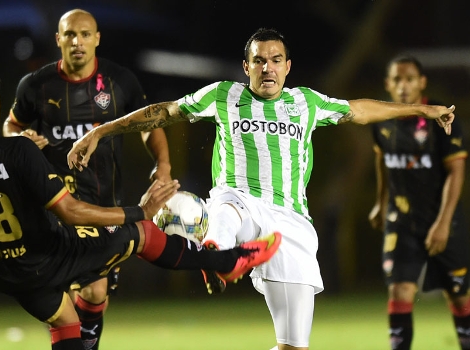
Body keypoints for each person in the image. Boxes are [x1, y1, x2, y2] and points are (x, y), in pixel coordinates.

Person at [67, 28, 456, 350]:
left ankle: (209, 245)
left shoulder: (306, 102)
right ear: (246, 66)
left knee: (293, 345)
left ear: (287, 67)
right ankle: (215, 253)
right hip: (238, 201)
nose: (266, 68)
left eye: (274, 60)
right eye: (258, 60)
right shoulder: (224, 95)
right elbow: (164, 112)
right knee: (226, 209)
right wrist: (101, 130)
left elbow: (359, 110)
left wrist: (421, 110)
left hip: (292, 223)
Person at [0, 63, 281, 350]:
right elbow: (71, 212)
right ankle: (226, 262)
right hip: (47, 256)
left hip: (1, 272)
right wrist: (139, 212)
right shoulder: (16, 151)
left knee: (66, 321)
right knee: (143, 234)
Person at [2, 9, 172, 349]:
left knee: (97, 295)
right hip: (57, 205)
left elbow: (147, 124)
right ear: (58, 40)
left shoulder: (119, 81)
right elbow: (10, 127)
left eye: (84, 34)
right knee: (80, 291)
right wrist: (21, 140)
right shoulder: (35, 85)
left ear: (97, 38)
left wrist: (163, 165)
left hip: (105, 201)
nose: (77, 41)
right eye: (69, 35)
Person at [368, 55, 470, 350]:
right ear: (388, 84)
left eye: (409, 79)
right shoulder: (382, 121)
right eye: (396, 80)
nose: (403, 86)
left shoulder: (441, 119)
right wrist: (380, 202)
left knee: (459, 294)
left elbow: (456, 171)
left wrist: (443, 223)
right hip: (401, 220)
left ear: (421, 82)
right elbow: (382, 162)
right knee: (399, 291)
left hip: (442, 221)